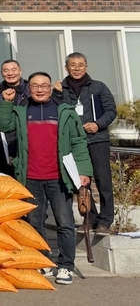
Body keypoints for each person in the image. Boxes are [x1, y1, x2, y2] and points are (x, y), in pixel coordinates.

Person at [0, 71, 92, 285]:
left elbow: (78, 142)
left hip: (59, 177)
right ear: (29, 88)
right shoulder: (21, 111)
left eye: (44, 85)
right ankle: (42, 260)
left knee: (65, 222)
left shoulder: (64, 112)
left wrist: (84, 171)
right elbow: (4, 126)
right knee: (34, 223)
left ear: (51, 88)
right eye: (35, 86)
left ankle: (66, 265)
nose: (40, 89)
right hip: (30, 177)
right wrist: (6, 102)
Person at [53, 52, 117, 235]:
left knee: (103, 180)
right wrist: (57, 94)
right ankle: (89, 219)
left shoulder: (98, 87)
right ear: (66, 67)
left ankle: (105, 221)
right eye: (73, 65)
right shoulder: (61, 88)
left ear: (86, 66)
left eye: (80, 64)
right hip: (75, 143)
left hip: (97, 140)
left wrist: (98, 124)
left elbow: (111, 111)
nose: (77, 68)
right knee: (81, 182)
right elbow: (57, 111)